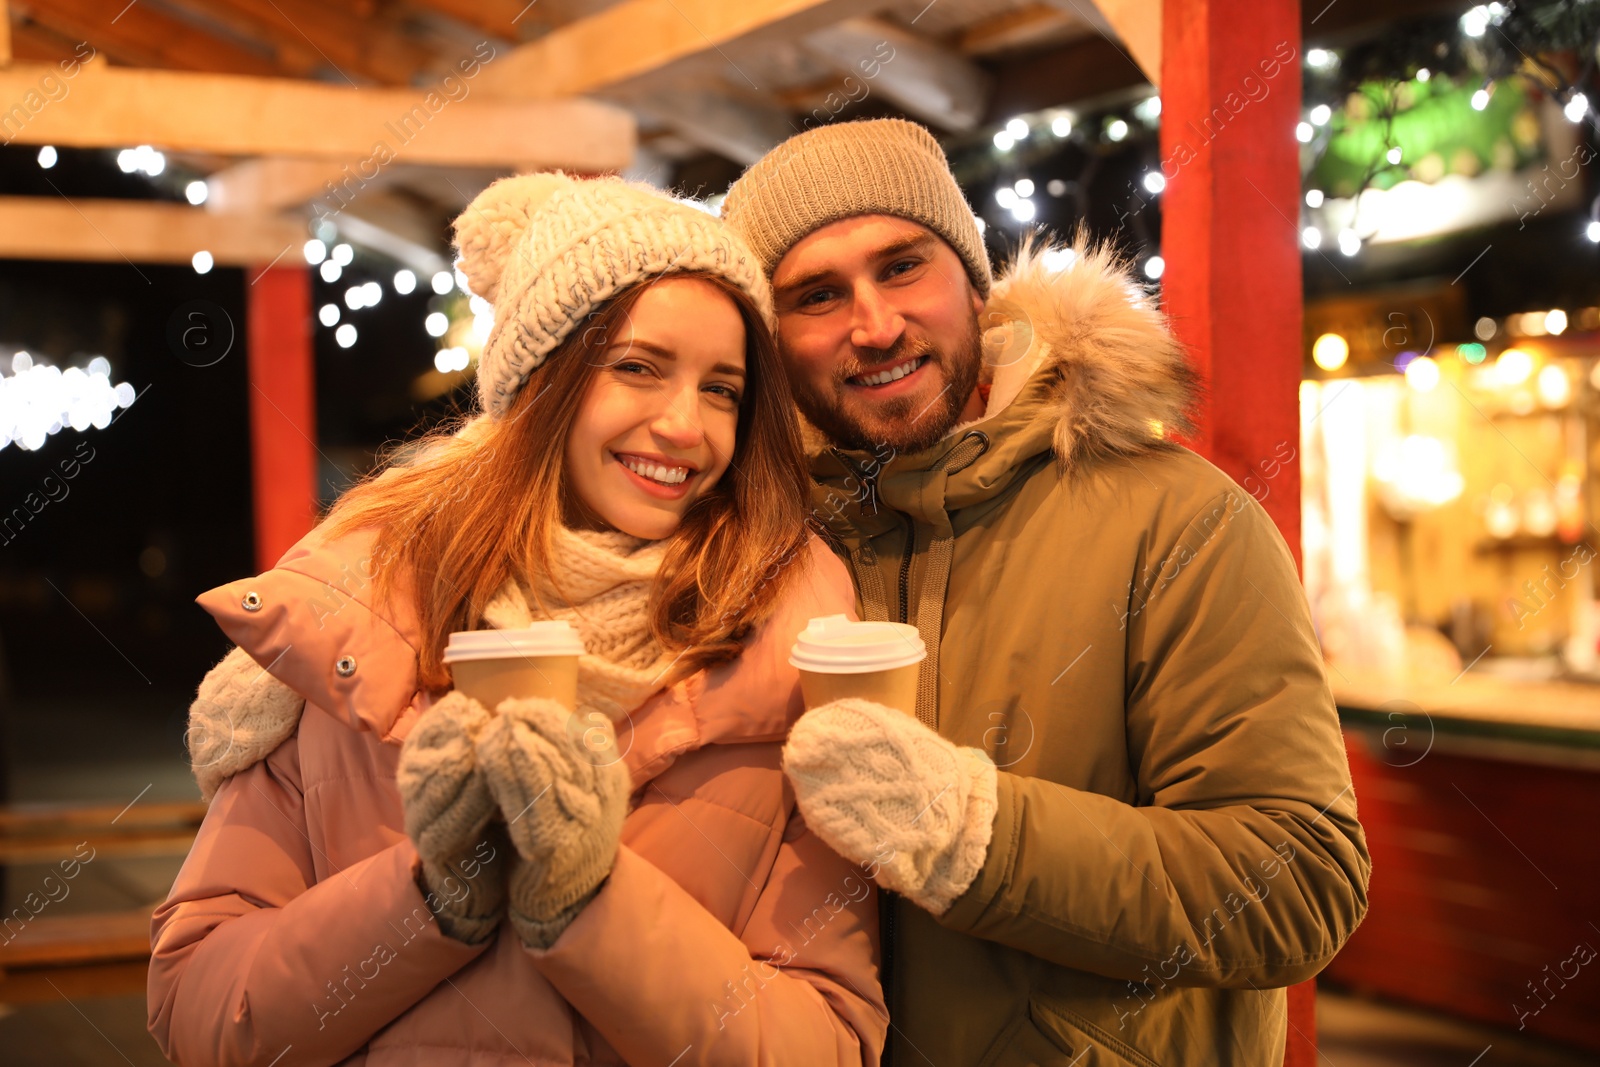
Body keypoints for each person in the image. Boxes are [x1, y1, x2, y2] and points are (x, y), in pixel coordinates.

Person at [147, 174, 887, 1067]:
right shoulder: (361, 615)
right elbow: (201, 1012)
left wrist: (589, 905)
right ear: (543, 378)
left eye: (723, 388)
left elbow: (828, 1045)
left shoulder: (803, 643)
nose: (686, 425)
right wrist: (429, 894)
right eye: (639, 367)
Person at [720, 118, 1371, 1066]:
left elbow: (1296, 883)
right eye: (817, 294)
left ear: (974, 285)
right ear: (771, 344)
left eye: (903, 266)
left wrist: (975, 834)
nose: (875, 324)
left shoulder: (1179, 522)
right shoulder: (760, 555)